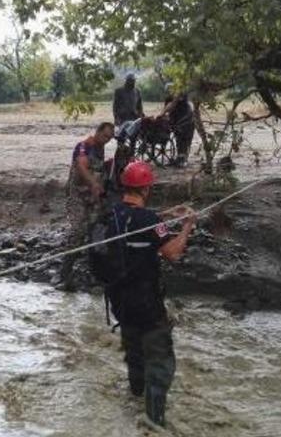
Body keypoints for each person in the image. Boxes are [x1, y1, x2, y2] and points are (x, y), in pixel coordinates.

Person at [101, 160, 196, 428]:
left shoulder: (112, 215)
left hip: (119, 302)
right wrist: (187, 225)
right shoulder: (149, 220)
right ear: (146, 188)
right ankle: (154, 423)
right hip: (147, 304)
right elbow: (173, 252)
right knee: (160, 363)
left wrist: (163, 220)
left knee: (134, 353)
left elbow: (138, 230)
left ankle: (134, 399)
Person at [55, 122, 116, 290]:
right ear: (97, 132)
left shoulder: (100, 149)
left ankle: (94, 275)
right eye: (104, 136)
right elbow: (82, 167)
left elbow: (98, 170)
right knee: (77, 232)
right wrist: (94, 184)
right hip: (77, 196)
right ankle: (64, 275)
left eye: (109, 139)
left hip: (92, 198)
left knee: (95, 232)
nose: (106, 140)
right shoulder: (83, 146)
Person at [163, 86, 194, 166]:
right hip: (176, 122)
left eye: (172, 90)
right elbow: (167, 110)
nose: (171, 92)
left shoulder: (183, 98)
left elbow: (189, 110)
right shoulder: (168, 99)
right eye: (169, 91)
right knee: (179, 140)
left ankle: (183, 159)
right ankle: (180, 159)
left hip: (186, 121)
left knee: (185, 141)